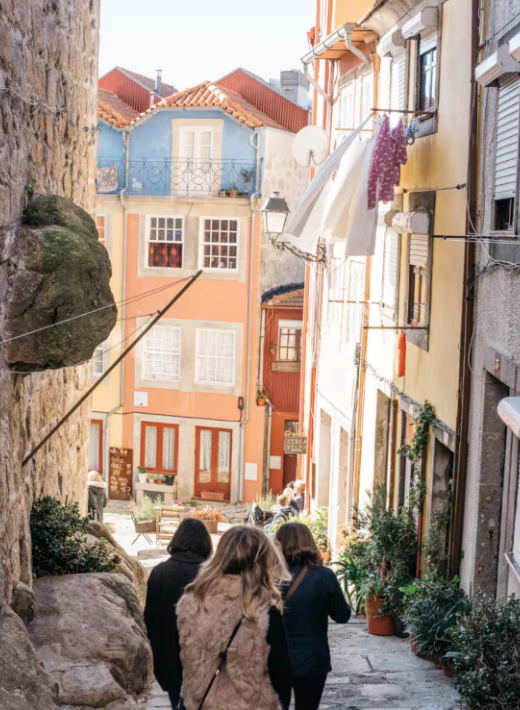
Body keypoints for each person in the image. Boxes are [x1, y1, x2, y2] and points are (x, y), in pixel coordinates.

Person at [176, 525, 293, 710]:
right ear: (261, 561)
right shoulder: (263, 609)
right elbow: (281, 677)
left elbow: (178, 658)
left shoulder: (190, 601)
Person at [276, 522, 351, 710]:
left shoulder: (268, 576)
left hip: (276, 661)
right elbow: (342, 616)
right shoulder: (325, 576)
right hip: (313, 661)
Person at [144, 518, 213, 710]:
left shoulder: (159, 573)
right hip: (202, 656)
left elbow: (149, 619)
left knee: (177, 699)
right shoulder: (212, 576)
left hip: (167, 655)